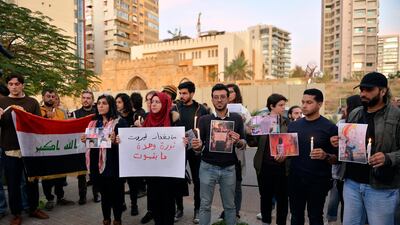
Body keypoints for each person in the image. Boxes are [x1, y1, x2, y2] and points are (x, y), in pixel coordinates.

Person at [332, 72, 400, 225]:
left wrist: (388, 158)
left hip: (381, 187)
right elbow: (348, 144)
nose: (363, 93)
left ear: (383, 91)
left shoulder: (396, 116)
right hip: (352, 184)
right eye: (361, 89)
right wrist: (339, 141)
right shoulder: (355, 113)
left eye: (369, 90)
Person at [192, 83, 246, 225]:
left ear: (228, 98)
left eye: (222, 97)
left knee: (230, 206)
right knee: (205, 205)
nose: (219, 100)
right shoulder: (204, 120)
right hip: (207, 167)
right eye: (216, 97)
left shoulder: (237, 118)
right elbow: (200, 146)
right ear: (212, 99)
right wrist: (197, 147)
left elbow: (244, 144)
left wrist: (238, 141)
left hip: (229, 168)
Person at [0, 73, 49, 225]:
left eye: (17, 84)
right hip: (10, 148)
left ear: (22, 85)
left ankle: (33, 208)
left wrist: (25, 115)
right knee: (13, 183)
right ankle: (16, 213)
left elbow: (38, 124)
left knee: (32, 181)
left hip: (30, 148)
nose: (14, 87)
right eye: (11, 84)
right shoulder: (2, 102)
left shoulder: (32, 102)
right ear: (8, 86)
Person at [287, 88, 338, 225]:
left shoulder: (330, 127)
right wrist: (282, 155)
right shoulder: (293, 126)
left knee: (315, 216)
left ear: (319, 104)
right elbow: (288, 152)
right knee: (296, 216)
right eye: (302, 102)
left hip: (318, 181)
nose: (304, 105)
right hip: (295, 179)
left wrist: (325, 155)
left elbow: (337, 158)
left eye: (309, 102)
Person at [81, 94, 128, 225]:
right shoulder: (94, 123)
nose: (100, 106)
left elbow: (125, 145)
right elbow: (93, 144)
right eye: (99, 103)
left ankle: (117, 220)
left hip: (114, 166)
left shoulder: (120, 122)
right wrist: (86, 139)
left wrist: (117, 141)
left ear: (110, 105)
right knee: (105, 196)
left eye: (104, 103)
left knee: (116, 196)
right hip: (98, 167)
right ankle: (106, 219)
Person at [141, 92, 184, 225]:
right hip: (152, 172)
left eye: (157, 102)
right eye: (152, 101)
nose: (153, 104)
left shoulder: (173, 119)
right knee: (155, 204)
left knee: (168, 204)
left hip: (168, 173)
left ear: (165, 103)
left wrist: (184, 141)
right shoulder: (146, 120)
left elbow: (181, 141)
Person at [250, 93, 289, 225]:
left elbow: (291, 144)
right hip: (264, 165)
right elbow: (253, 142)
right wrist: (249, 132)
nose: (284, 107)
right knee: (265, 197)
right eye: (281, 105)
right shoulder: (262, 121)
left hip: (282, 167)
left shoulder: (287, 122)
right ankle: (266, 221)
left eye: (284, 105)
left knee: (282, 199)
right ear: (271, 106)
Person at [173, 81, 209, 223]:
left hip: (195, 149)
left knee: (198, 180)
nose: (182, 96)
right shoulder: (175, 109)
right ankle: (179, 208)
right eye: (180, 93)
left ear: (192, 93)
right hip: (179, 149)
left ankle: (197, 209)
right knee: (177, 179)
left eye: (185, 93)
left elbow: (206, 130)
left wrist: (201, 144)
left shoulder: (201, 110)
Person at [326, 95, 362, 223]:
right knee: (343, 203)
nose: (344, 109)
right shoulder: (341, 124)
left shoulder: (358, 124)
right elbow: (336, 148)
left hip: (351, 172)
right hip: (342, 172)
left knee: (349, 205)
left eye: (346, 106)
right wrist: (334, 141)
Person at [218, 83, 251, 222]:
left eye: (232, 92)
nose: (229, 94)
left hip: (236, 151)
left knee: (236, 184)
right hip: (220, 152)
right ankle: (226, 209)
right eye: (227, 92)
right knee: (223, 184)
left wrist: (242, 123)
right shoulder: (216, 111)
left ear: (236, 94)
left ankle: (235, 211)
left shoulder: (243, 110)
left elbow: (250, 131)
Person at [39, 89, 75, 211]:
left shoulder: (61, 113)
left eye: (53, 96)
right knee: (47, 176)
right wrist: (44, 117)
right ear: (43, 97)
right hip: (45, 149)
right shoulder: (38, 111)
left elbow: (66, 128)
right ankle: (49, 198)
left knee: (60, 175)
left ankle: (60, 197)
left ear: (56, 98)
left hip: (60, 149)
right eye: (48, 96)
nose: (50, 98)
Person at [72, 90, 98, 205]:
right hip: (80, 146)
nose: (86, 100)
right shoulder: (75, 114)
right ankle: (82, 196)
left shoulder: (97, 113)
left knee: (95, 172)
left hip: (94, 145)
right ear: (81, 99)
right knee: (81, 173)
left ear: (92, 100)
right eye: (84, 98)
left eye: (88, 98)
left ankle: (96, 194)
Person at [115, 93, 139, 216]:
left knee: (132, 182)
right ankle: (122, 203)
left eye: (119, 102)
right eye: (116, 102)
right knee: (119, 182)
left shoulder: (135, 116)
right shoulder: (114, 117)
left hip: (131, 154)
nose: (117, 104)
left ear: (125, 103)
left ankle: (134, 204)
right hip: (118, 154)